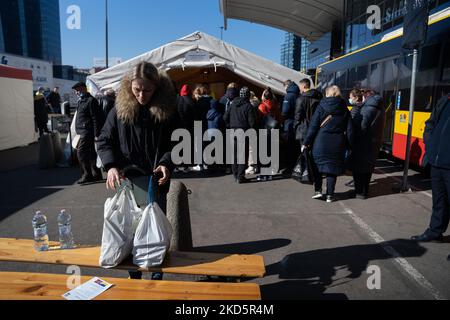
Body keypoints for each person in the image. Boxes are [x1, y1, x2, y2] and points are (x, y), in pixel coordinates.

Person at [97, 62, 179, 280]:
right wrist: (111, 166)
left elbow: (179, 142)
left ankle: (155, 278)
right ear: (128, 87)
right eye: (137, 90)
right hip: (128, 181)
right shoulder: (119, 111)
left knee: (154, 235)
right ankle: (134, 279)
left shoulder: (167, 111)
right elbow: (105, 140)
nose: (142, 95)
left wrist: (166, 163)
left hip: (155, 181)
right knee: (130, 233)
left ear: (157, 88)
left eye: (148, 90)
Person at [303, 85, 353, 203]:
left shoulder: (321, 106)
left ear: (327, 94)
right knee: (332, 169)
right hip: (337, 143)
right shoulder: (344, 108)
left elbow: (313, 127)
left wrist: (306, 142)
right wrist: (350, 145)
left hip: (320, 142)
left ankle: (318, 190)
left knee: (318, 166)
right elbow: (350, 129)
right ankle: (330, 195)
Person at [411, 93, 450, 243]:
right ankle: (435, 231)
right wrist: (430, 143)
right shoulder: (445, 100)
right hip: (437, 161)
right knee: (439, 200)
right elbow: (431, 122)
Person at [350, 89, 385, 199]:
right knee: (368, 169)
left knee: (359, 169)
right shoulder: (380, 108)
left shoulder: (367, 108)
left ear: (366, 97)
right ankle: (364, 191)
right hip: (374, 142)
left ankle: (360, 192)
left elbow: (362, 127)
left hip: (363, 143)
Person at [224, 87, 257, 184]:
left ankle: (235, 175)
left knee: (234, 155)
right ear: (247, 96)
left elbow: (225, 117)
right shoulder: (248, 106)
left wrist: (229, 125)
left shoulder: (233, 104)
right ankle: (240, 176)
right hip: (243, 131)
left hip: (233, 131)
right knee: (242, 155)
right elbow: (252, 123)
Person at [72, 81, 103, 184]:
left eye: (77, 90)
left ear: (83, 89)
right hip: (82, 131)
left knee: (81, 153)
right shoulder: (82, 101)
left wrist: (96, 134)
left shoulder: (90, 100)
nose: (76, 93)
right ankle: (96, 174)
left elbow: (96, 118)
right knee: (91, 153)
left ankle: (87, 175)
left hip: (87, 131)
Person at [293, 78, 323, 182]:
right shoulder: (319, 97)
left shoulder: (301, 99)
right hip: (316, 128)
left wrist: (295, 127)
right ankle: (315, 172)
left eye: (300, 86)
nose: (299, 88)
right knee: (314, 151)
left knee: (304, 151)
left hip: (303, 129)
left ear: (304, 86)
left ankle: (306, 174)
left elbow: (297, 116)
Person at [282, 80, 300, 173]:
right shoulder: (298, 94)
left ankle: (289, 167)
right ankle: (297, 166)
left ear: (287, 86)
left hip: (289, 123)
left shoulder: (288, 96)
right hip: (297, 123)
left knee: (289, 146)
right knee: (296, 146)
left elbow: (285, 111)